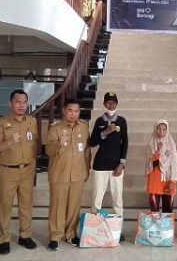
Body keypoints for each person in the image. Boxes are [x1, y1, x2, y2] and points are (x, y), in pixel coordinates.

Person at [0, 89, 39, 255]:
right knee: (5, 206)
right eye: (18, 102)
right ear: (10, 103)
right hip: (7, 170)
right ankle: (4, 238)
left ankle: (25, 235)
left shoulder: (32, 122)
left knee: (26, 204)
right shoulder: (1, 123)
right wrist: (9, 142)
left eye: (24, 102)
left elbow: (35, 144)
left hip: (27, 169)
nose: (21, 105)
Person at [46, 99, 92, 251]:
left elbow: (86, 151)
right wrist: (58, 143)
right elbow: (48, 151)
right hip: (59, 173)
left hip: (78, 173)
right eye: (70, 110)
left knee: (74, 206)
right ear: (64, 111)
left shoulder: (84, 127)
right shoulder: (55, 128)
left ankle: (71, 234)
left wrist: (87, 169)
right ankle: (55, 235)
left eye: (76, 111)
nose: (73, 114)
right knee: (57, 206)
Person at [89, 92, 128, 224]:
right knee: (97, 197)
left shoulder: (121, 121)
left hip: (116, 166)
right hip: (100, 165)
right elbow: (92, 142)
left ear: (117, 103)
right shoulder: (100, 121)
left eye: (114, 102)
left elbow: (125, 142)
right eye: (108, 102)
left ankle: (118, 227)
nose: (111, 105)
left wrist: (122, 163)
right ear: (104, 104)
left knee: (117, 198)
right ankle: (95, 226)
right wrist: (105, 132)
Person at [145, 119, 177, 212]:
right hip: (155, 177)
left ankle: (167, 226)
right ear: (155, 129)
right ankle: (155, 226)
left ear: (167, 130)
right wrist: (157, 151)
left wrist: (173, 181)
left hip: (168, 178)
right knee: (154, 209)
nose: (161, 131)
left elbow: (174, 162)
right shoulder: (151, 143)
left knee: (168, 210)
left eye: (164, 129)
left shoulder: (171, 144)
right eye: (159, 129)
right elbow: (150, 161)